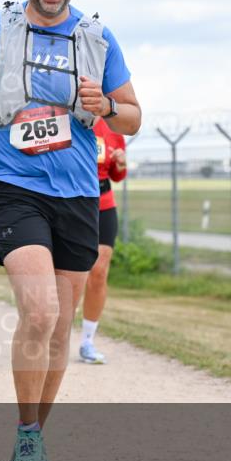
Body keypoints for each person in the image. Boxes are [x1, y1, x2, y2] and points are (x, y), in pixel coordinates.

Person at [0, 0, 141, 461]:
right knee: (38, 313)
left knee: (59, 327)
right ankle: (26, 431)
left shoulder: (97, 38)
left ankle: (31, 439)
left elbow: (132, 117)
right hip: (13, 182)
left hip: (79, 192)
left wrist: (106, 103)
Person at [78, 118, 128, 364]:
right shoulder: (68, 117)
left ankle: (87, 341)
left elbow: (118, 174)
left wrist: (120, 162)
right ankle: (50, 332)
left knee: (98, 272)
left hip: (104, 203)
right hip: (73, 201)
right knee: (68, 273)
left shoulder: (113, 126)